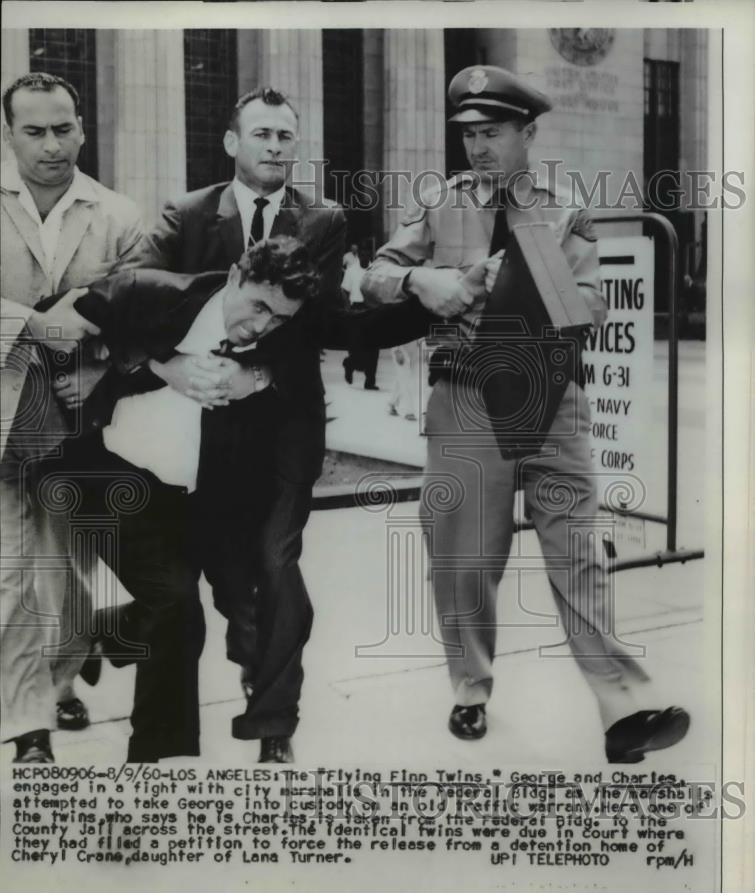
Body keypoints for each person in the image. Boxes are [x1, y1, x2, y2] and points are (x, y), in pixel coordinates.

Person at [362, 64, 690, 765]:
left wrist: (535, 291)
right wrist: (423, 278)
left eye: (492, 133)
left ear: (527, 133)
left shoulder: (564, 206)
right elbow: (373, 274)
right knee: (463, 560)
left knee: (577, 554)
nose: (477, 148)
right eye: (468, 135)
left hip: (549, 394)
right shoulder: (438, 202)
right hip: (466, 397)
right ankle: (470, 687)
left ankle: (619, 705)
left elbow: (592, 303)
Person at [59, 236, 448, 763]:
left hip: (197, 493)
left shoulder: (283, 332)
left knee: (204, 602)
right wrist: (137, 365)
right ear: (236, 274)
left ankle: (148, 737)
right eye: (259, 306)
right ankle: (155, 757)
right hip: (109, 476)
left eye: (279, 318)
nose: (262, 325)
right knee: (177, 606)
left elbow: (362, 329)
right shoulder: (146, 289)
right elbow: (56, 322)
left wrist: (449, 296)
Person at [129, 86, 346, 757]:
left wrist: (261, 373)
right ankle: (248, 661)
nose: (275, 146)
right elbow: (133, 295)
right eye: (262, 134)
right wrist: (166, 366)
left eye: (286, 135)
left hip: (283, 424)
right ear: (232, 142)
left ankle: (274, 724)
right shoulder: (189, 214)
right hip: (207, 430)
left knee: (277, 566)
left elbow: (320, 322)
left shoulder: (324, 220)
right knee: (229, 581)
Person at [0, 72, 143, 761]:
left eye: (63, 128)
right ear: (10, 135)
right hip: (3, 414)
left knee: (66, 564)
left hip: (80, 425)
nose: (52, 144)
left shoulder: (119, 215)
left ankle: (62, 679)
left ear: (83, 128)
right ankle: (32, 727)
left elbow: (142, 314)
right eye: (34, 131)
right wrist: (35, 324)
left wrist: (97, 364)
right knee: (15, 569)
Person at [341, 244, 380, 390]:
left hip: (371, 309)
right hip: (356, 309)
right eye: (362, 254)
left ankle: (370, 381)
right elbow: (344, 291)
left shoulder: (376, 271)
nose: (364, 257)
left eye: (367, 254)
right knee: (357, 346)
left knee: (373, 347)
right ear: (359, 255)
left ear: (370, 256)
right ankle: (350, 364)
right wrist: (347, 309)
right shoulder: (351, 271)